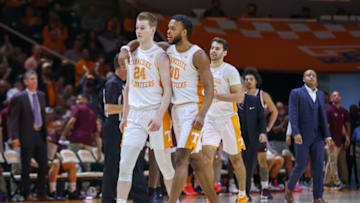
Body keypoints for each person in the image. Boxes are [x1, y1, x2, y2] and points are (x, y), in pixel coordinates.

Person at [119, 14, 218, 203]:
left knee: (180, 159)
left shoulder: (198, 55)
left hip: (193, 111)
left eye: (173, 28)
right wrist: (124, 49)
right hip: (175, 112)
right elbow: (137, 42)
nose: (168, 31)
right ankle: (214, 200)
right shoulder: (167, 50)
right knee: (196, 161)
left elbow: (210, 90)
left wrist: (202, 115)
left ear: (184, 32)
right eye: (168, 27)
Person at [116, 12, 175, 203]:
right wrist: (124, 116)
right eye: (136, 28)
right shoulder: (131, 54)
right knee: (125, 164)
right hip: (134, 115)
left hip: (155, 113)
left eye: (142, 28)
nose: (138, 31)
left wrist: (159, 116)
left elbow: (168, 91)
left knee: (165, 165)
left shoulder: (160, 56)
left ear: (152, 29)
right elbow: (128, 89)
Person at [202, 37, 247, 203]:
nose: (213, 51)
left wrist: (218, 96)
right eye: (212, 47)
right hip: (209, 118)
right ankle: (210, 195)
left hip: (228, 119)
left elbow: (239, 96)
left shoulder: (230, 70)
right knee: (206, 158)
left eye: (217, 48)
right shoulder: (203, 69)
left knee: (236, 159)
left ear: (224, 52)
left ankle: (242, 195)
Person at [102, 54, 150, 203]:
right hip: (113, 128)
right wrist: (131, 107)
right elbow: (109, 108)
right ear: (122, 65)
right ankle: (108, 199)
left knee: (133, 163)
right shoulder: (113, 84)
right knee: (112, 165)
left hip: (125, 128)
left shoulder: (125, 84)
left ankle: (140, 198)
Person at [285, 69, 333, 203]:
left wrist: (327, 136)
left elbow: (323, 116)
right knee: (301, 164)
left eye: (313, 75)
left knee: (318, 166)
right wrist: (296, 132)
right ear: (303, 79)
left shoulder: (321, 94)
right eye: (308, 75)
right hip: (302, 135)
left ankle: (318, 197)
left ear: (316, 79)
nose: (311, 77)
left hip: (317, 136)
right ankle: (289, 188)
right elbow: (293, 114)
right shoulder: (296, 93)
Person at [9, 70, 53, 201]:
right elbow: (14, 119)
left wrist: (46, 133)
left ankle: (41, 192)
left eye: (36, 79)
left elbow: (43, 116)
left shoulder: (41, 95)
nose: (35, 81)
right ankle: (26, 193)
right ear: (26, 82)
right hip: (26, 135)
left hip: (39, 134)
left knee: (44, 164)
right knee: (26, 165)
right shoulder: (19, 97)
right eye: (32, 79)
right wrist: (15, 137)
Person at [243, 67, 278, 200]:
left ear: (256, 81)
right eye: (246, 79)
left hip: (258, 134)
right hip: (245, 134)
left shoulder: (262, 95)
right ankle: (247, 188)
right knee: (245, 163)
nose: (248, 82)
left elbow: (274, 111)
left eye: (251, 79)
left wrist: (268, 127)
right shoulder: (241, 94)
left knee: (262, 162)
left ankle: (265, 188)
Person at [238, 93, 267, 201]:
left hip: (251, 139)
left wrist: (263, 132)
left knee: (249, 167)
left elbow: (262, 118)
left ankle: (245, 192)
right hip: (235, 137)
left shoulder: (254, 100)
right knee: (237, 165)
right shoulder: (229, 99)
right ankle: (239, 189)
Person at [325, 91, 350, 188]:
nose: (336, 97)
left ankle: (326, 182)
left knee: (331, 162)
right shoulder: (329, 110)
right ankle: (337, 183)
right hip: (332, 141)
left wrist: (347, 137)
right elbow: (326, 127)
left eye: (338, 95)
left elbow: (342, 127)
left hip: (340, 140)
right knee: (333, 162)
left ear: (340, 98)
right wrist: (329, 139)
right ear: (331, 99)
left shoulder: (341, 111)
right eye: (334, 95)